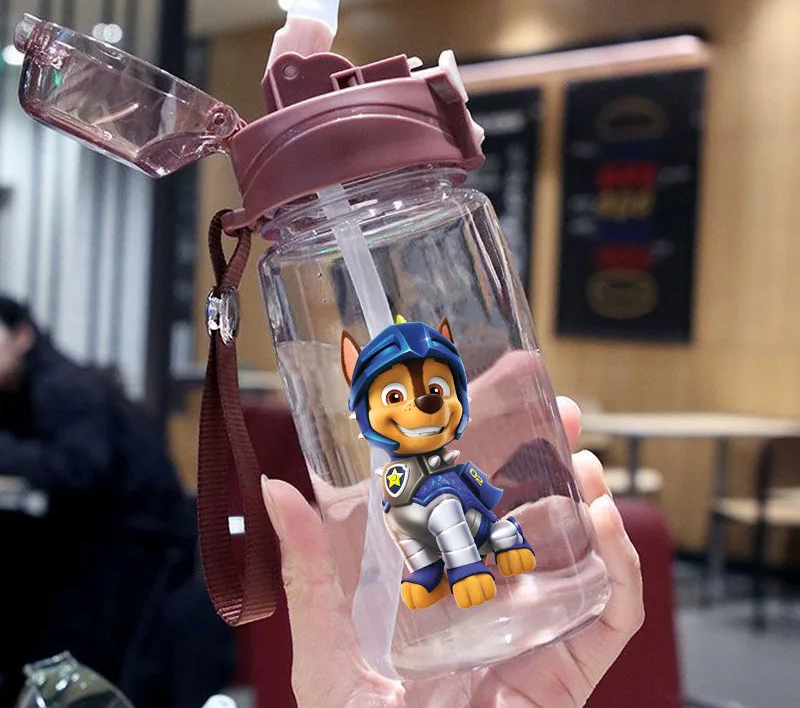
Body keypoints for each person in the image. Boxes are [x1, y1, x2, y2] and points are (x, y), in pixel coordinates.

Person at [261, 396, 644, 708]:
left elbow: (474, 498)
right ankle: (432, 573)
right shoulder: (395, 478)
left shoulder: (450, 470)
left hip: (468, 520)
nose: (421, 404)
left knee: (457, 515)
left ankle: (485, 557)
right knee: (403, 523)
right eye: (393, 396)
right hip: (423, 587)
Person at [0, 296, 234, 708]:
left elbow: (82, 467)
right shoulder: (29, 387)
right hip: (116, 539)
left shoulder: (61, 386)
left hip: (137, 544)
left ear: (22, 335)